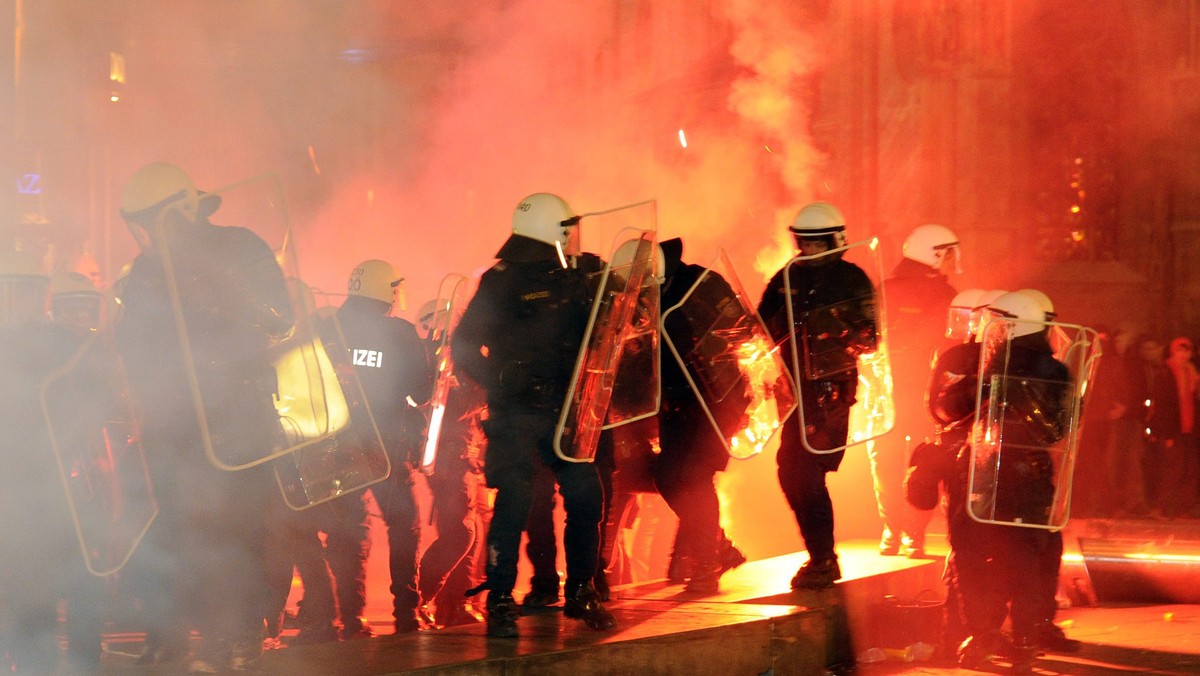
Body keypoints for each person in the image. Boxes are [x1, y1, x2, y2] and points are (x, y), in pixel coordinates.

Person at [114, 162, 295, 672]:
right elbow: (134, 344)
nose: (148, 233)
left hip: (239, 415)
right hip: (175, 424)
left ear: (177, 212)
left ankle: (240, 637)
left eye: (152, 221)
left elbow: (281, 317)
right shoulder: (148, 270)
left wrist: (224, 298)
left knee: (242, 529)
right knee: (177, 532)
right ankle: (179, 637)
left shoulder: (241, 247)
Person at [451, 192, 616, 638]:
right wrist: (500, 379)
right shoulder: (501, 281)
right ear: (550, 229)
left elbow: (614, 323)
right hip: (517, 411)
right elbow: (463, 343)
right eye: (567, 227)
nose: (573, 235)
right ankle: (501, 599)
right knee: (515, 500)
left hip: (568, 406)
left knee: (585, 496)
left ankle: (582, 590)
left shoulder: (581, 274)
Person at [0, 249, 119, 673]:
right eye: (13, 291)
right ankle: (44, 659)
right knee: (34, 578)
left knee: (73, 571)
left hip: (60, 481)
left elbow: (99, 405)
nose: (18, 300)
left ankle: (71, 658)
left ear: (40, 294)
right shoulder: (66, 345)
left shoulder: (68, 344)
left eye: (25, 291)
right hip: (25, 486)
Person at [757, 201, 878, 590]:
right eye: (802, 242)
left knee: (806, 474)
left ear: (835, 240)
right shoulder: (786, 276)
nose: (807, 250)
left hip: (830, 392)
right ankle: (820, 555)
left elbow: (870, 338)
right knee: (790, 472)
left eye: (815, 243)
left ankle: (823, 559)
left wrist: (830, 326)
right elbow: (759, 326)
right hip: (792, 389)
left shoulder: (853, 280)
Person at [318, 259, 432, 636]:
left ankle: (350, 618)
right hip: (387, 448)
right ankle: (406, 614)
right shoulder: (399, 333)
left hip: (337, 447)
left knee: (348, 531)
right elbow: (423, 392)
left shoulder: (327, 328)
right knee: (404, 526)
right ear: (387, 290)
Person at [650, 237, 747, 592]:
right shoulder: (645, 295)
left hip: (717, 401)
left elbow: (740, 330)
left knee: (692, 477)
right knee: (666, 476)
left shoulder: (702, 285)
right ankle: (718, 546)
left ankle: (707, 562)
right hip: (676, 405)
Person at [871, 224, 959, 558]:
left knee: (886, 460)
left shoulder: (887, 288)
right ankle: (911, 534)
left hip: (889, 392)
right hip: (924, 393)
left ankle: (894, 531)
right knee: (924, 461)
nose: (953, 261)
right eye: (948, 253)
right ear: (933, 254)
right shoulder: (944, 295)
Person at [413, 298, 490, 628]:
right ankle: (422, 597)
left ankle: (453, 605)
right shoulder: (443, 362)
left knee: (470, 530)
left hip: (462, 456)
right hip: (450, 457)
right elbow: (452, 407)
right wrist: (487, 391)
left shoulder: (441, 359)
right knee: (460, 534)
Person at [1164, 336, 1200, 518]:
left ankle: (1186, 507)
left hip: (1190, 427)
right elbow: (1164, 404)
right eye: (1180, 350)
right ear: (1174, 351)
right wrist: (1166, 432)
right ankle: (1168, 507)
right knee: (1174, 468)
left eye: (1187, 351)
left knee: (1190, 468)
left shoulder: (1192, 373)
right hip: (1175, 428)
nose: (1184, 354)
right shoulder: (1167, 372)